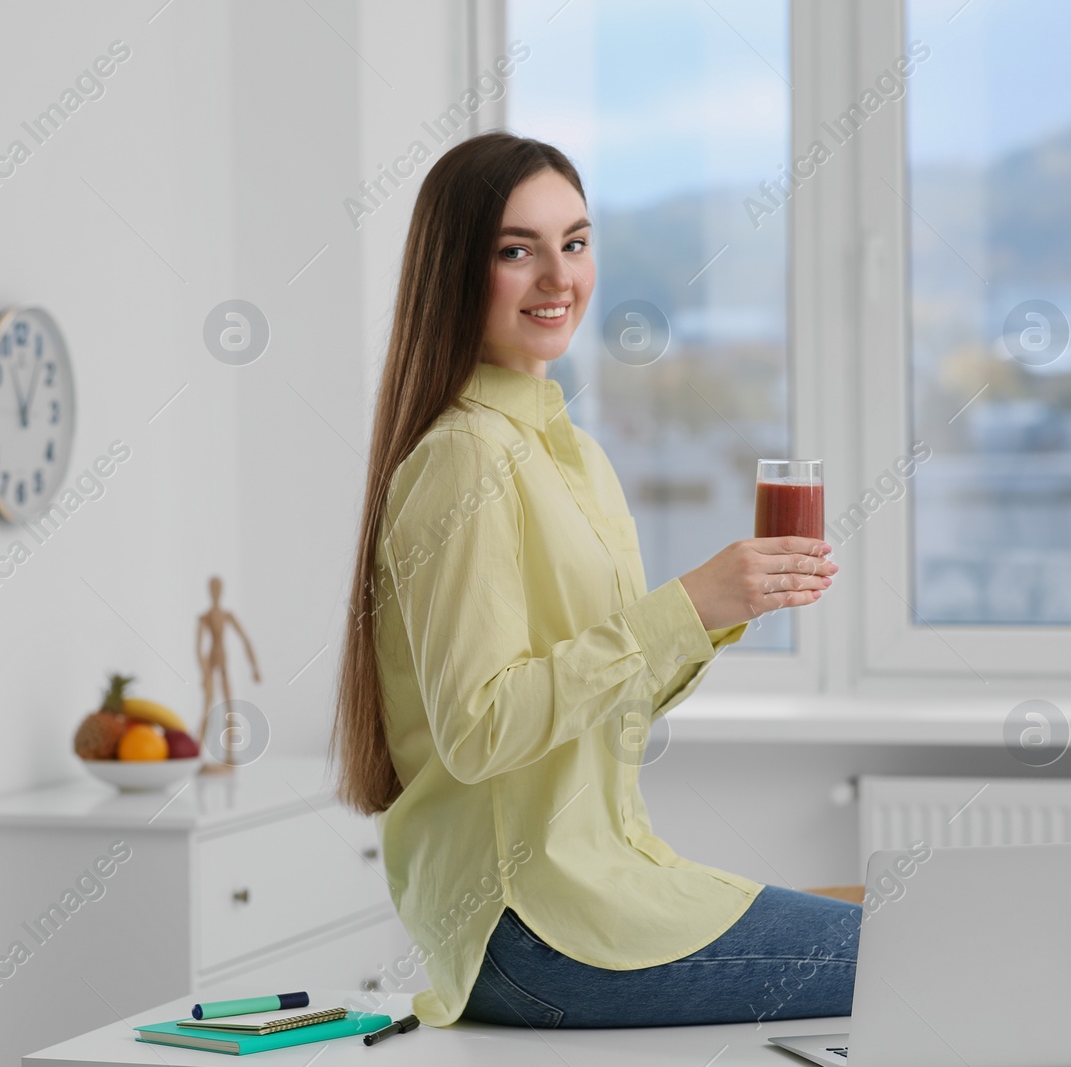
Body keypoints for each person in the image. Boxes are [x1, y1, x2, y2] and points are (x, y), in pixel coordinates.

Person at [330, 131, 850, 1030]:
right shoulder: (464, 457)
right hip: (530, 925)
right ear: (456, 270)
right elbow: (481, 729)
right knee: (916, 951)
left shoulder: (572, 453)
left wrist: (718, 613)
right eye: (515, 250)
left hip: (600, 883)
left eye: (573, 243)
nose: (557, 277)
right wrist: (684, 604)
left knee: (898, 932)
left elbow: (605, 701)